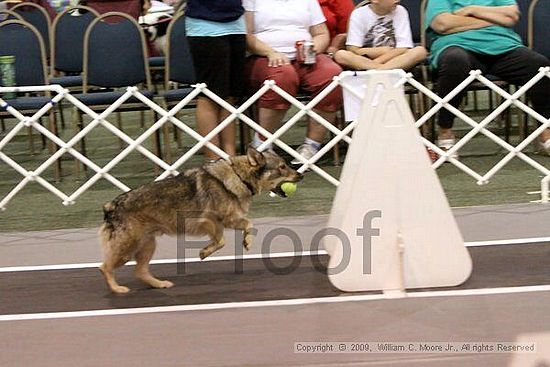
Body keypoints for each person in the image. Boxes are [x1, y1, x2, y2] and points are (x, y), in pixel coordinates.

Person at [425, 0, 550, 156]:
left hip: (503, 46)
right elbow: (442, 24)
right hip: (458, 46)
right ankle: (445, 131)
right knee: (454, 62)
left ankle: (545, 131)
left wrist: (472, 10)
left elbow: (511, 16)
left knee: (539, 65)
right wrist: (493, 19)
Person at [243, 0, 343, 164]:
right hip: (264, 57)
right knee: (283, 76)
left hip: (304, 58)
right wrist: (270, 52)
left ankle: (312, 146)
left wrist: (312, 48)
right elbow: (246, 36)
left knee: (332, 74)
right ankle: (262, 145)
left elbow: (321, 33)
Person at [185, 0, 247, 161]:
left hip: (236, 24)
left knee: (230, 96)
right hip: (204, 28)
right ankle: (213, 158)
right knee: (209, 95)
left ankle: (230, 156)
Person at [333, 0, 428, 71]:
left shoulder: (401, 11)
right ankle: (383, 70)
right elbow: (352, 49)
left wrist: (378, 62)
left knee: (420, 51)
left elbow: (403, 47)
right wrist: (379, 51)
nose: (398, 0)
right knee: (341, 55)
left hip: (396, 59)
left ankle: (379, 71)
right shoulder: (358, 14)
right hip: (365, 60)